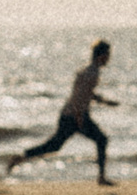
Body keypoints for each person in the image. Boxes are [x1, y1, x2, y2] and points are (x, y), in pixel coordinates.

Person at [7, 41, 119, 185]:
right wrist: (79, 118)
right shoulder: (92, 73)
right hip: (74, 116)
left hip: (72, 115)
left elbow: (86, 94)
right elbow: (79, 97)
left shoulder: (88, 70)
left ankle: (20, 158)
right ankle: (101, 177)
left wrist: (104, 101)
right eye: (108, 55)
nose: (109, 58)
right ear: (101, 56)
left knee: (55, 145)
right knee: (100, 140)